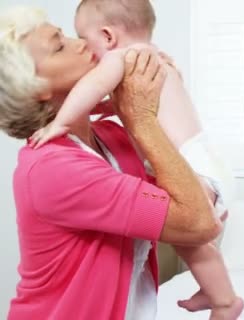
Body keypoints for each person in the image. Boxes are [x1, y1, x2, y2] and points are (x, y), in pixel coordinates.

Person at [0, 5, 225, 320]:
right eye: (60, 46)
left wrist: (160, 93)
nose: (80, 43)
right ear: (36, 88)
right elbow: (199, 223)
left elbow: (194, 207)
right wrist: (141, 118)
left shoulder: (112, 137)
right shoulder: (53, 168)